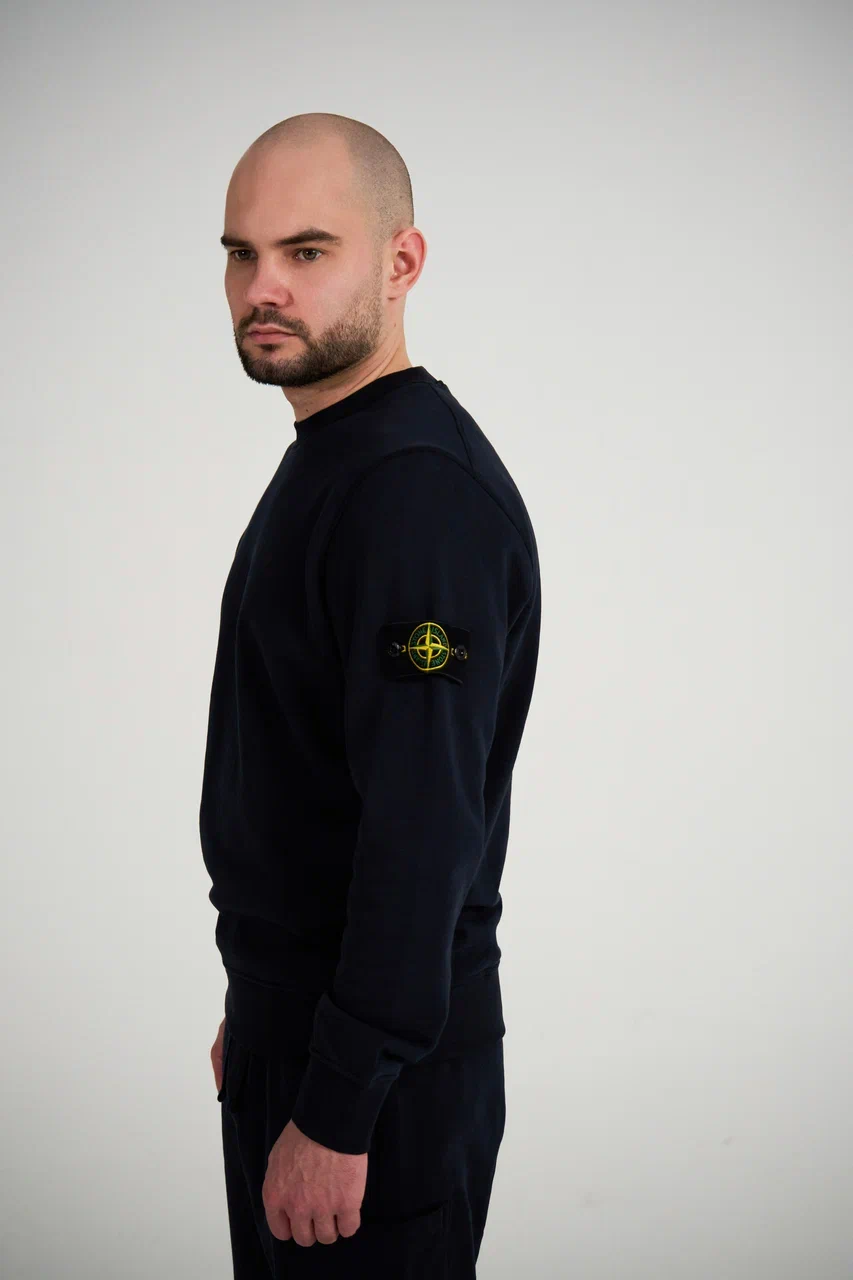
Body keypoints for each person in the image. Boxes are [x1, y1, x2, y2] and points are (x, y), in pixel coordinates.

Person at [200, 111, 542, 1277]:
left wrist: (340, 1097)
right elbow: (318, 779)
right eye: (242, 253)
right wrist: (263, 1007)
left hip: (377, 1089)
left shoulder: (412, 495)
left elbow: (421, 827)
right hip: (308, 1031)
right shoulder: (340, 455)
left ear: (402, 262)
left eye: (306, 250)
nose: (264, 286)